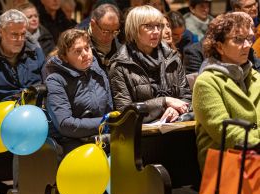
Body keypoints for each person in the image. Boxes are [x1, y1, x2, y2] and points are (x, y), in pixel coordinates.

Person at [192, 12, 260, 170]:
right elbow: (225, 132)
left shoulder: (256, 77)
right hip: (225, 166)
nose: (247, 45)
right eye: (238, 39)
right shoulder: (207, 82)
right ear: (219, 46)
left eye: (249, 38)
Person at [110, 5, 191, 123]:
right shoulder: (120, 65)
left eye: (158, 26)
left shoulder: (172, 58)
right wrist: (164, 102)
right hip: (143, 134)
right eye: (148, 26)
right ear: (134, 29)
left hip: (176, 125)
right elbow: (125, 113)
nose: (156, 31)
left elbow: (187, 97)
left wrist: (175, 110)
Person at [44, 28, 112, 155]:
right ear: (65, 57)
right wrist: (105, 123)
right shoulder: (55, 80)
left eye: (87, 48)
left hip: (101, 138)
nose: (85, 54)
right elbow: (65, 124)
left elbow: (110, 110)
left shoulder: (98, 72)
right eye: (78, 51)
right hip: (71, 143)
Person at [0, 9, 45, 115]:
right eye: (14, 35)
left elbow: (49, 87)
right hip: (4, 116)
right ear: (1, 32)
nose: (20, 39)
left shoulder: (35, 53)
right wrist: (10, 114)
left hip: (37, 112)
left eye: (23, 34)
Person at [85, 3, 121, 72]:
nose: (110, 37)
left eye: (114, 32)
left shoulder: (120, 49)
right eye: (105, 32)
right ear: (93, 24)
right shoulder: (78, 44)